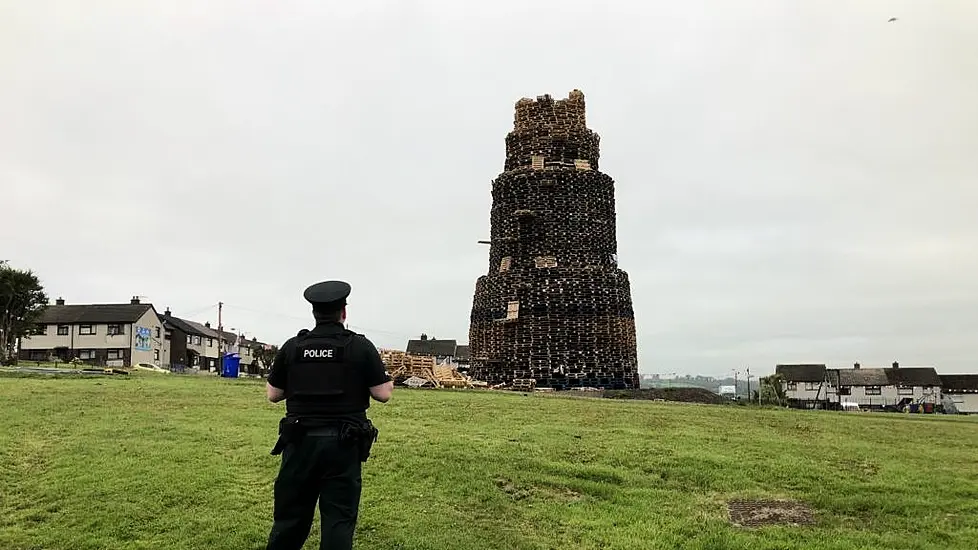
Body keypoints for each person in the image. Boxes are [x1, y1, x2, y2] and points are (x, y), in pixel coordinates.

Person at [264, 280, 394, 550]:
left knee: (289, 520)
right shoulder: (360, 347)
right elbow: (383, 394)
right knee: (338, 520)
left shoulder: (292, 347)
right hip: (343, 446)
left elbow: (273, 394)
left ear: (314, 313)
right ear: (343, 312)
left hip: (299, 444)